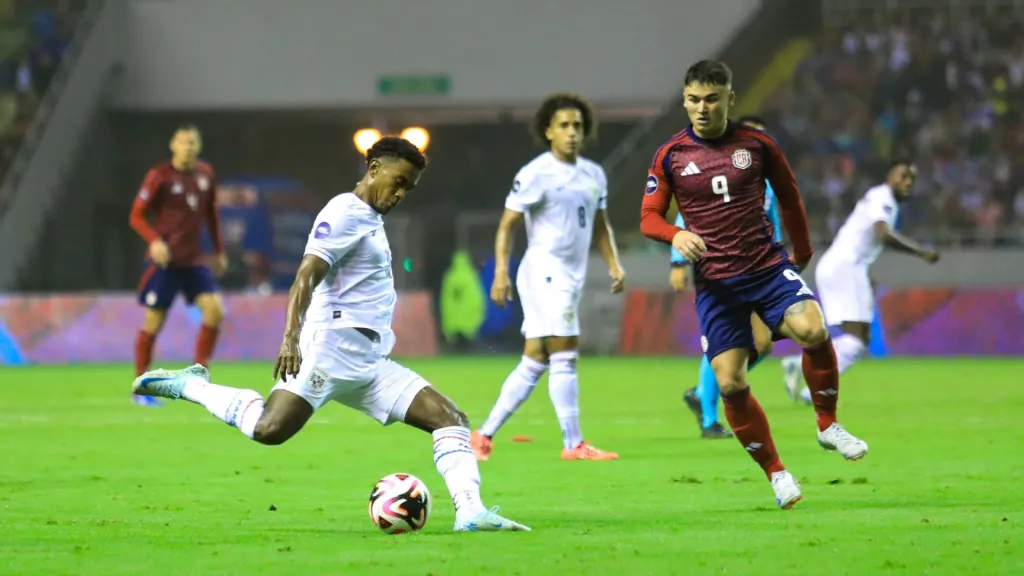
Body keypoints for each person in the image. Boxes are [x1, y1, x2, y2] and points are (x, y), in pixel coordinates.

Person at [132, 136, 529, 533]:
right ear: (374, 169)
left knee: (451, 419)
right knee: (269, 430)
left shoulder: (370, 219)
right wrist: (291, 338)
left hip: (369, 364)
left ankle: (471, 513)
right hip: (329, 351)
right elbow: (306, 274)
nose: (401, 193)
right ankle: (192, 386)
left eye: (409, 187)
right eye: (399, 181)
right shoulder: (344, 211)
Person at [640, 59, 868, 509]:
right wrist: (676, 234)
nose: (701, 108)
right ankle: (777, 473)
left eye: (710, 99)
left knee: (814, 329)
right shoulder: (671, 155)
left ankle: (827, 424)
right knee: (729, 384)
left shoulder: (757, 144)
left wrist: (800, 252)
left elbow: (789, 193)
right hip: (717, 287)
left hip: (765, 267)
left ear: (730, 98)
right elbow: (649, 216)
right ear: (684, 100)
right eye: (692, 100)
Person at [471, 93, 626, 462]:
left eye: (577, 126)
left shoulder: (594, 174)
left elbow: (600, 226)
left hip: (570, 276)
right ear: (548, 131)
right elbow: (507, 225)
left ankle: (483, 435)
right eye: (563, 126)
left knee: (536, 359)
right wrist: (501, 273)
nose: (572, 132)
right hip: (543, 271)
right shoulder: (535, 174)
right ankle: (573, 443)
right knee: (566, 350)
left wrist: (614, 264)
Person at [781, 161, 939, 401]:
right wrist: (921, 251)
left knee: (858, 340)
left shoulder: (880, 198)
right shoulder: (882, 197)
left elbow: (862, 240)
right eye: (903, 176)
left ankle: (806, 381)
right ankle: (806, 378)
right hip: (845, 267)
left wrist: (866, 275)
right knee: (855, 341)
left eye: (912, 179)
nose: (908, 182)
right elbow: (882, 234)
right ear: (889, 176)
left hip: (844, 266)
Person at [670, 115, 781, 439]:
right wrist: (678, 261)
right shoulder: (718, 175)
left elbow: (770, 224)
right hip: (719, 269)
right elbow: (686, 216)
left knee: (762, 344)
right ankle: (708, 420)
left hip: (757, 268)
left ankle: (702, 392)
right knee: (724, 341)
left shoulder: (767, 183)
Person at [129, 124, 227, 407]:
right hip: (166, 263)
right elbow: (136, 216)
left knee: (214, 311)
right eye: (183, 142)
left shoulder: (206, 175)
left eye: (193, 142)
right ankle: (142, 386)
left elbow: (212, 215)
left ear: (199, 146)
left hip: (194, 261)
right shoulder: (159, 176)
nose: (188, 147)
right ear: (173, 145)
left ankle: (198, 376)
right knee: (154, 322)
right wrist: (154, 241)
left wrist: (219, 251)